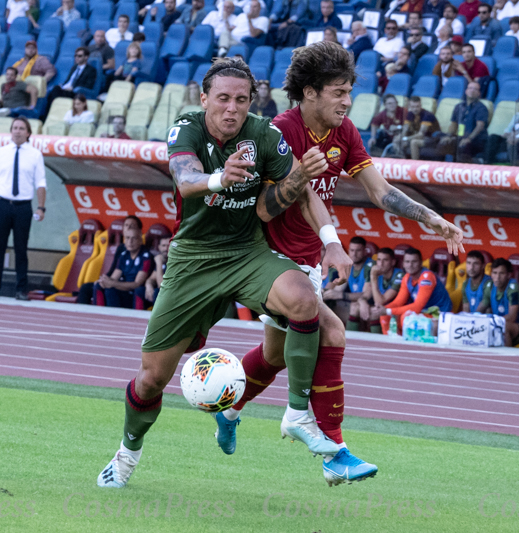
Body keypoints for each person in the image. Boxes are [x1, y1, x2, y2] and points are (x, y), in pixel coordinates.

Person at [213, 43, 464, 487]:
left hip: (307, 258)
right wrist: (299, 180)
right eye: (338, 92)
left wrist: (432, 219)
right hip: (265, 259)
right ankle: (334, 452)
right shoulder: (278, 132)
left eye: (349, 92)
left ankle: (230, 410)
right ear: (309, 93)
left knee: (275, 355)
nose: (347, 102)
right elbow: (263, 211)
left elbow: (378, 189)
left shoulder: (343, 132)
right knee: (332, 331)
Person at [97, 56, 346, 489]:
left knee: (305, 299)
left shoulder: (264, 134)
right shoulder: (187, 127)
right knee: (153, 377)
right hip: (193, 260)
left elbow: (303, 192)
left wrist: (333, 243)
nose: (233, 109)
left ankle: (297, 413)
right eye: (224, 99)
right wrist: (219, 179)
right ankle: (126, 454)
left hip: (246, 252)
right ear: (205, 98)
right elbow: (185, 178)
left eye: (242, 100)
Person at [0, 117, 46, 300]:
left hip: (23, 206)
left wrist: (41, 207)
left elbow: (40, 182)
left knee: (21, 249)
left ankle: (21, 290)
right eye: (14, 128)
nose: (17, 131)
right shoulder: (1, 152)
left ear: (28, 132)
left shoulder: (35, 154)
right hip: (1, 204)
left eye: (21, 128)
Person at [383, 247, 454, 329]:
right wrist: (383, 309)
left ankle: (406, 341)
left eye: (414, 262)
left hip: (440, 315)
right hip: (425, 313)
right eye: (407, 262)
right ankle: (390, 340)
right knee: (384, 315)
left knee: (407, 317)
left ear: (421, 263)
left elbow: (417, 307)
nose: (410, 265)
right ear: (403, 264)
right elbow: (398, 302)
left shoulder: (427, 277)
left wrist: (389, 311)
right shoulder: (407, 277)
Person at [477, 258, 519, 347]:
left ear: (509, 275)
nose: (497, 277)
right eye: (494, 273)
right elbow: (480, 309)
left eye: (501, 273)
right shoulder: (489, 286)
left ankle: (506, 355)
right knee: (487, 313)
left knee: (503, 327)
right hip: (500, 323)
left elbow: (512, 317)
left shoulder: (514, 288)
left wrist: (490, 322)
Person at [93, 227, 154, 309]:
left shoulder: (146, 257)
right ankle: (98, 315)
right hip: (122, 289)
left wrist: (113, 284)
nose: (130, 242)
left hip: (134, 294)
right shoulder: (124, 255)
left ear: (140, 240)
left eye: (134, 238)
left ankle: (113, 319)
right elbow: (114, 277)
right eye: (127, 238)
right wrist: (104, 281)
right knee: (98, 285)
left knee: (110, 291)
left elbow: (137, 284)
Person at [321, 237, 372, 330]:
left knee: (353, 306)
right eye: (352, 250)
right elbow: (334, 287)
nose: (354, 254)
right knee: (323, 302)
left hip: (368, 304)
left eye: (358, 251)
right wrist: (324, 292)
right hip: (352, 304)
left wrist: (341, 295)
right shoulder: (346, 264)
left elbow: (366, 295)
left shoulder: (370, 266)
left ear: (365, 251)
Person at [438, 81, 489, 163]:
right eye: (470, 88)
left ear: (479, 93)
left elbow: (480, 126)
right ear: (466, 91)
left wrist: (469, 138)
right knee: (443, 142)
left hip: (476, 140)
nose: (472, 90)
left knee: (463, 145)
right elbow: (453, 124)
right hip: (461, 136)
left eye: (475, 89)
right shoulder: (459, 106)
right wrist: (449, 135)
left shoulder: (481, 108)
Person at [360, 247, 404, 333]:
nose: (381, 264)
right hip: (381, 309)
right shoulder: (375, 272)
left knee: (374, 312)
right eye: (379, 260)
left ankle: (377, 343)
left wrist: (373, 277)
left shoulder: (399, 275)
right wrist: (362, 302)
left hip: (395, 310)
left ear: (393, 262)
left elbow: (379, 302)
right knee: (355, 307)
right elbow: (365, 294)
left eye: (385, 260)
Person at [46, 47, 97, 113]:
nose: (77, 58)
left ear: (86, 57)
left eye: (80, 56)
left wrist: (73, 88)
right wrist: (63, 85)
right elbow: (68, 80)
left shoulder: (91, 70)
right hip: (66, 89)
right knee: (54, 89)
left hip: (75, 92)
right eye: (75, 56)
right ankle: (50, 113)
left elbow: (88, 85)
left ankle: (51, 113)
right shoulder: (74, 67)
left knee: (55, 92)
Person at [395, 96, 440, 160]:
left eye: (417, 106)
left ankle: (414, 163)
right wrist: (400, 137)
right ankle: (402, 159)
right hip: (421, 138)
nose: (415, 109)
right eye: (413, 107)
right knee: (397, 139)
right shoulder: (410, 114)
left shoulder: (427, 115)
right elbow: (405, 129)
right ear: (409, 106)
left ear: (421, 105)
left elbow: (421, 134)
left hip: (432, 139)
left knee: (414, 142)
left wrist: (406, 138)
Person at [491, 95, 519, 164]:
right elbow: (508, 130)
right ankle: (487, 163)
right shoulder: (517, 116)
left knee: (512, 143)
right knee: (493, 137)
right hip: (511, 137)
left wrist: (516, 135)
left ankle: (514, 166)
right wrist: (507, 134)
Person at [144, 236, 170, 306]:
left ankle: (157, 317)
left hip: (171, 296)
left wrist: (159, 263)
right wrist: (148, 284)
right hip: (162, 294)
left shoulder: (174, 262)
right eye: (163, 246)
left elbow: (161, 286)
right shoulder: (163, 260)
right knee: (139, 290)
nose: (166, 249)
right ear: (159, 247)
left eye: (168, 246)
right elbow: (151, 278)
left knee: (157, 292)